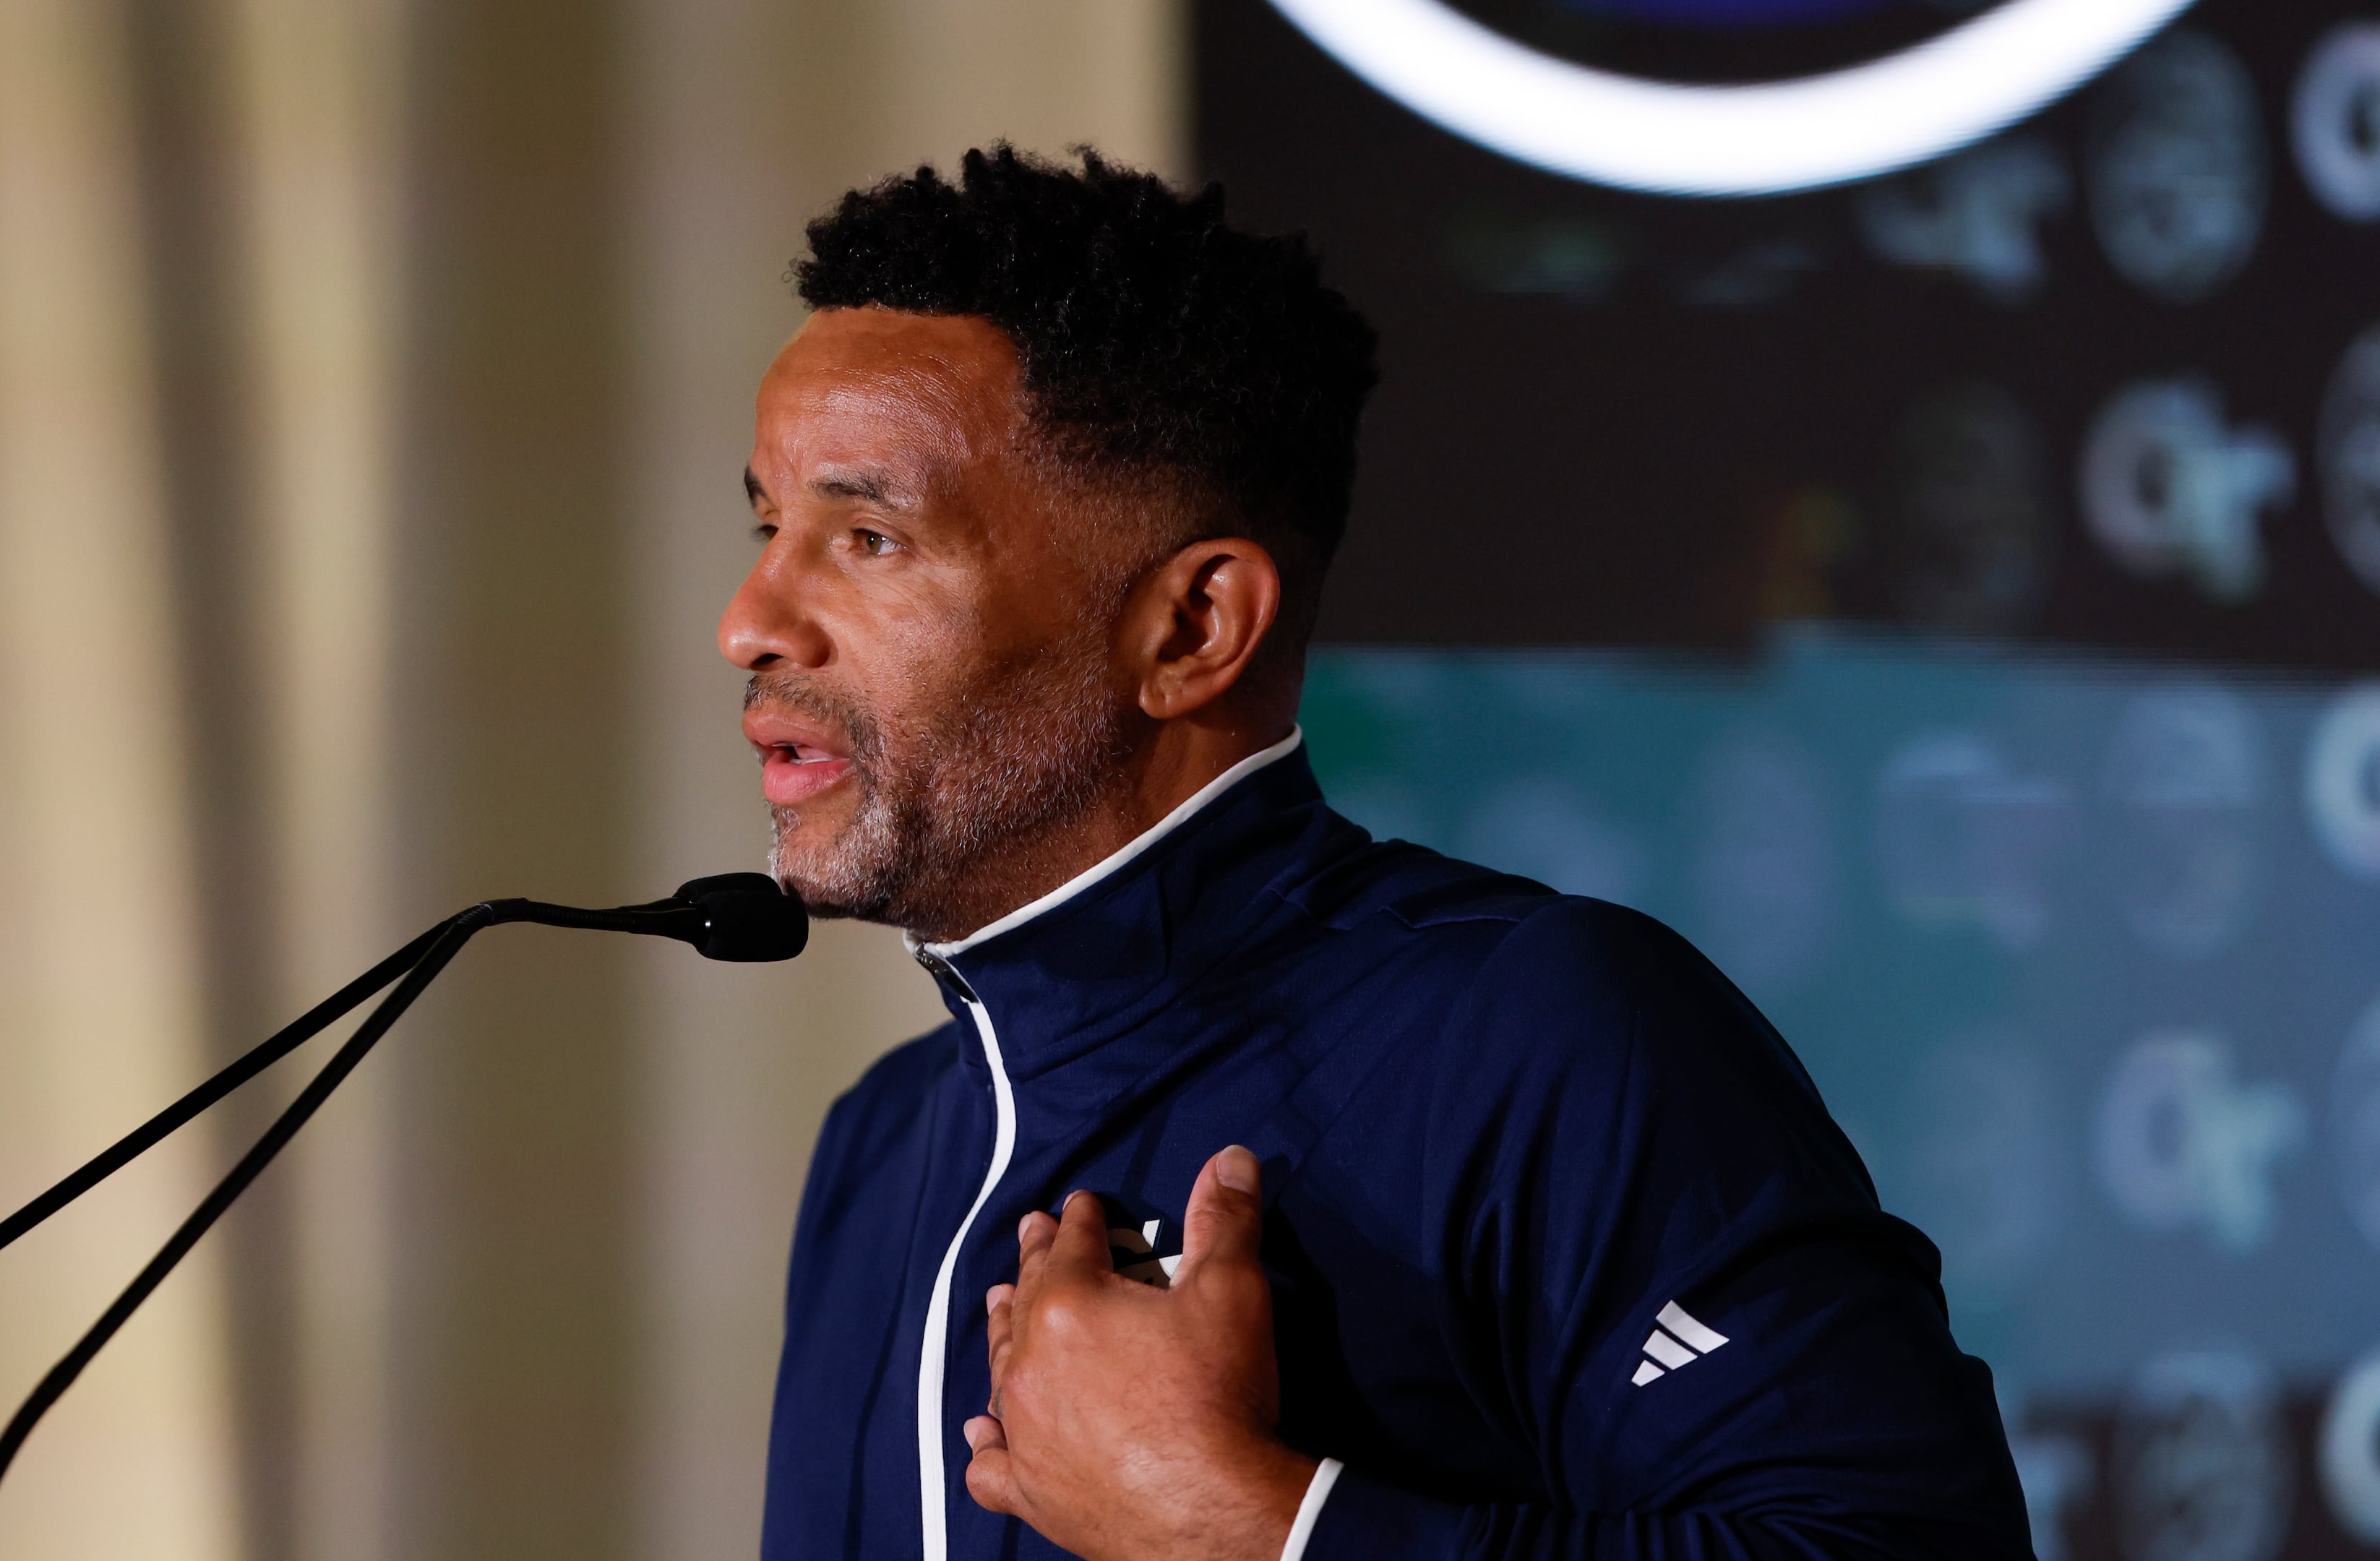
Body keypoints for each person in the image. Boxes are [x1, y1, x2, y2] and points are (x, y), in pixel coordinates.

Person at [731, 145, 2032, 1561]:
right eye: (767, 525)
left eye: (866, 539)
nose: (750, 620)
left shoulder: (1541, 1036)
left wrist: (1257, 1529)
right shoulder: (878, 1142)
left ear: (1191, 629)